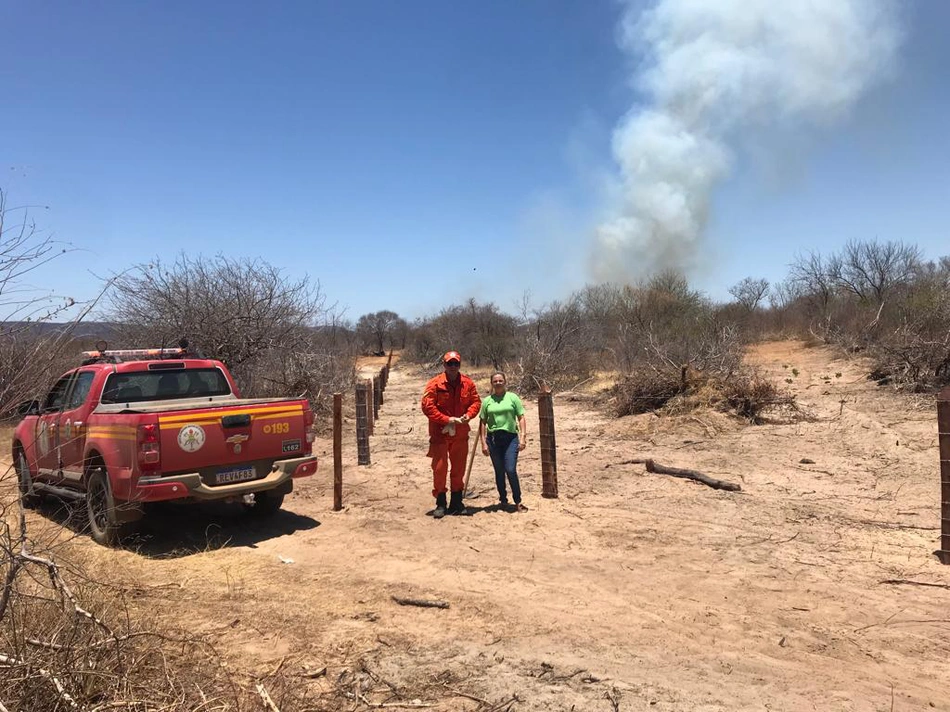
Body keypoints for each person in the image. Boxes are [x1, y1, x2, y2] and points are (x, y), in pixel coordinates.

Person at [421, 351, 482, 518]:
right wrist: (447, 419)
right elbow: (427, 407)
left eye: (456, 364)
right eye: (450, 364)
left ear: (460, 365)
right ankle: (441, 502)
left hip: (460, 433)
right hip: (440, 433)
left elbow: (476, 402)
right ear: (444, 365)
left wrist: (468, 415)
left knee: (458, 468)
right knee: (440, 468)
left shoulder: (468, 384)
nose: (453, 367)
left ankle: (456, 501)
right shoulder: (434, 384)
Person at [478, 371, 527, 512]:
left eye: (500, 380)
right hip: (493, 439)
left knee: (510, 469)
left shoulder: (513, 398)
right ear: (491, 383)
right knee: (499, 471)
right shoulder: (487, 401)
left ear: (505, 382)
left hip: (510, 438)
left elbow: (521, 417)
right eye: (495, 381)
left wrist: (523, 437)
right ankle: (503, 500)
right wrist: (483, 442)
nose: (498, 383)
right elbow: (482, 422)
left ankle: (518, 501)